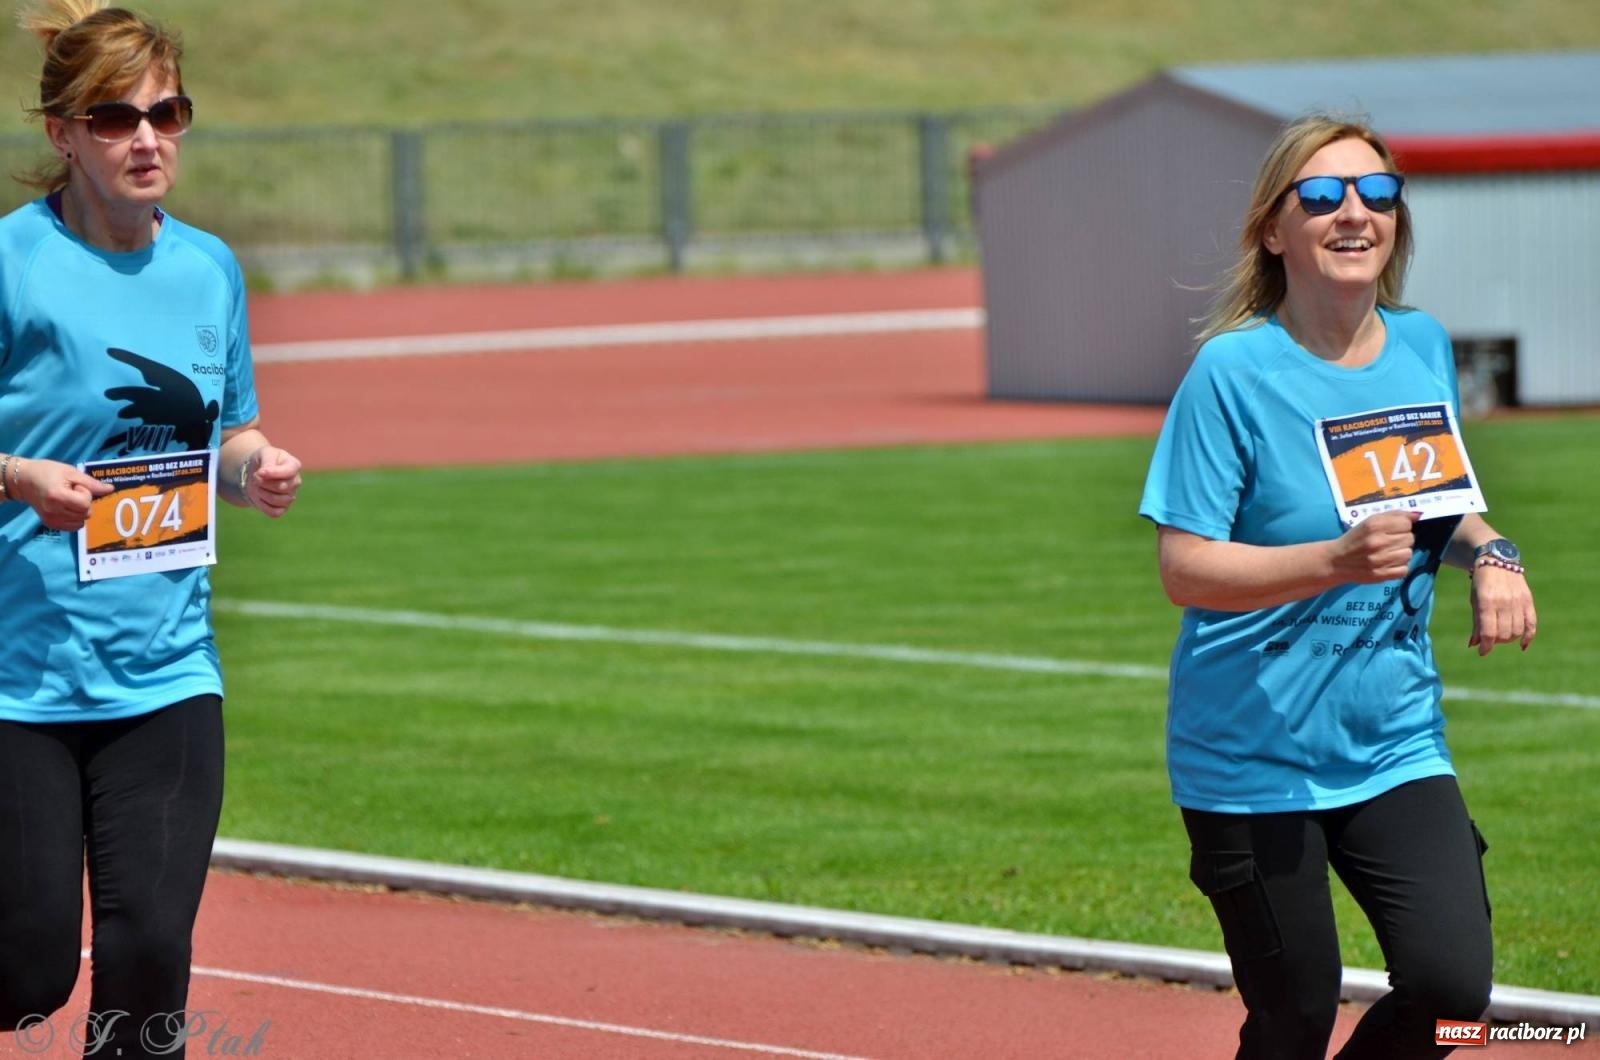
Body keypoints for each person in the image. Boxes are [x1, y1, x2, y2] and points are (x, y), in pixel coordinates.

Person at [1139, 114, 1538, 1058]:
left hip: (1394, 741)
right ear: (1275, 231)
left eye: (1377, 193)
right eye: (1321, 196)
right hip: (1250, 755)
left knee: (1451, 993)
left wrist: (1495, 554)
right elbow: (1184, 568)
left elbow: (1436, 510)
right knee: (1295, 1018)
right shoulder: (1231, 373)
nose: (1354, 213)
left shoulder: (1421, 345)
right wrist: (1333, 561)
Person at [0, 2, 302, 1055]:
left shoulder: (208, 269)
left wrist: (254, 466)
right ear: (63, 133)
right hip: (19, 683)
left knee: (150, 954)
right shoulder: (11, 264)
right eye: (116, 117)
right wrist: (17, 476)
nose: (146, 139)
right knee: (27, 971)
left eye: (166, 114)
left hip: (166, 673)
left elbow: (229, 425)